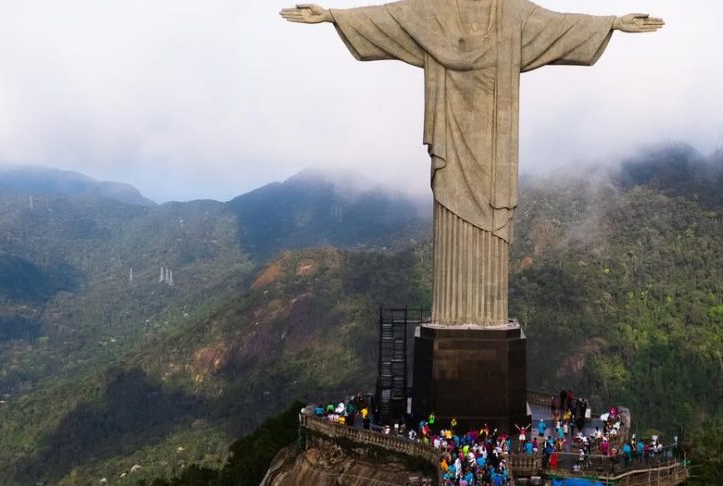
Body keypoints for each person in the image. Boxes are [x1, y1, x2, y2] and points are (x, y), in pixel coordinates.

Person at [280, 1, 664, 326]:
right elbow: (390, 18)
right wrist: (332, 15)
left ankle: (486, 318)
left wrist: (612, 24)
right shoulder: (435, 10)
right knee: (452, 218)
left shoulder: (512, 14)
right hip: (454, 137)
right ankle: (451, 317)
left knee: (491, 232)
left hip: (494, 150)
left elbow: (561, 26)